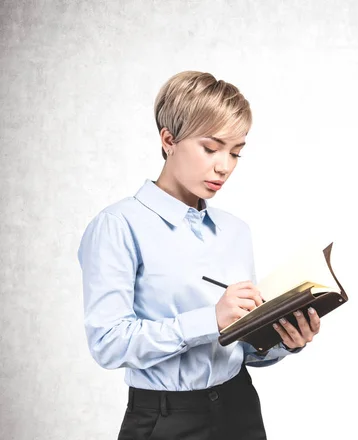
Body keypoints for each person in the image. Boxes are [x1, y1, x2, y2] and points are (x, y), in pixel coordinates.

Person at [77, 71, 321, 440]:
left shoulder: (236, 230)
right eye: (211, 148)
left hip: (241, 408)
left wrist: (284, 340)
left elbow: (240, 347)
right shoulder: (118, 225)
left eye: (236, 152)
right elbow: (108, 344)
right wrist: (210, 319)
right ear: (168, 139)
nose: (225, 166)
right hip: (164, 418)